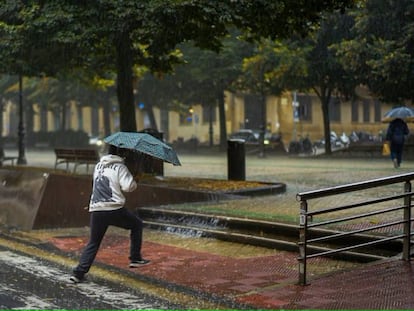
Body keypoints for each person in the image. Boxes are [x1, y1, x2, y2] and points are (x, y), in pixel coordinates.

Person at [70, 145, 150, 283]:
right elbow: (128, 187)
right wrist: (135, 179)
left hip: (96, 208)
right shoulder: (120, 167)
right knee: (137, 224)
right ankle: (135, 258)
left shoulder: (99, 166)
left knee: (94, 242)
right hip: (114, 208)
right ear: (121, 154)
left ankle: (78, 273)